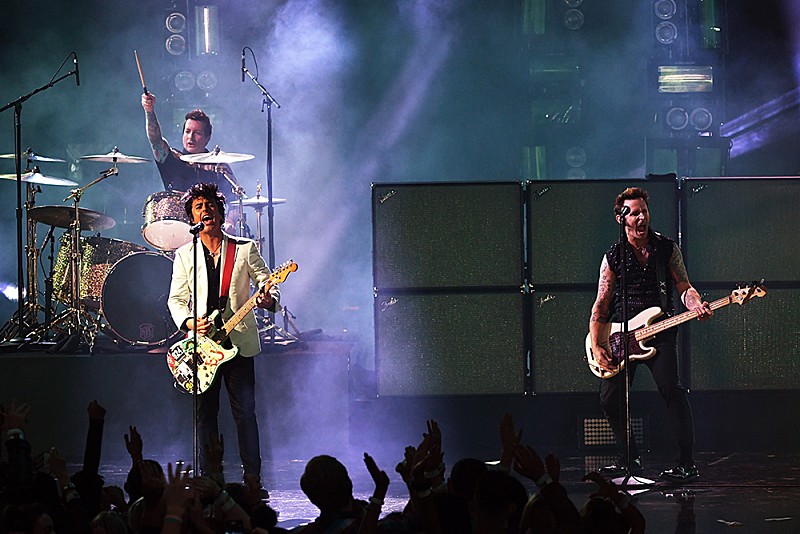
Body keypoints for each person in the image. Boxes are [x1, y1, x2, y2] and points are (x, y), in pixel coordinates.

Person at [588, 186, 712, 482]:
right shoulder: (613, 257)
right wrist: (596, 343)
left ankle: (686, 462)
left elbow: (684, 286)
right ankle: (629, 459)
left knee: (672, 391)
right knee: (610, 398)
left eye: (644, 211)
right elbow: (601, 304)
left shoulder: (666, 248)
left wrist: (696, 303)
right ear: (621, 219)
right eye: (634, 213)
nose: (641, 218)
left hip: (659, 329)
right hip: (621, 335)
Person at [167, 182, 279, 494]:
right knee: (205, 416)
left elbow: (268, 283)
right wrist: (190, 322)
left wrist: (269, 299)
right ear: (192, 217)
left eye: (211, 205)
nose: (206, 210)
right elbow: (176, 299)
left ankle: (253, 479)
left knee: (245, 413)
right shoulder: (185, 254)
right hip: (203, 348)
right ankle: (210, 478)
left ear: (220, 211)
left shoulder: (244, 248)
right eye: (199, 207)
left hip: (238, 343)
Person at [141, 92, 239, 195]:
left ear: (207, 138)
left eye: (197, 133)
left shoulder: (218, 166)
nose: (190, 137)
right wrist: (149, 111)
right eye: (187, 131)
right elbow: (155, 140)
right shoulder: (173, 158)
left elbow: (233, 199)